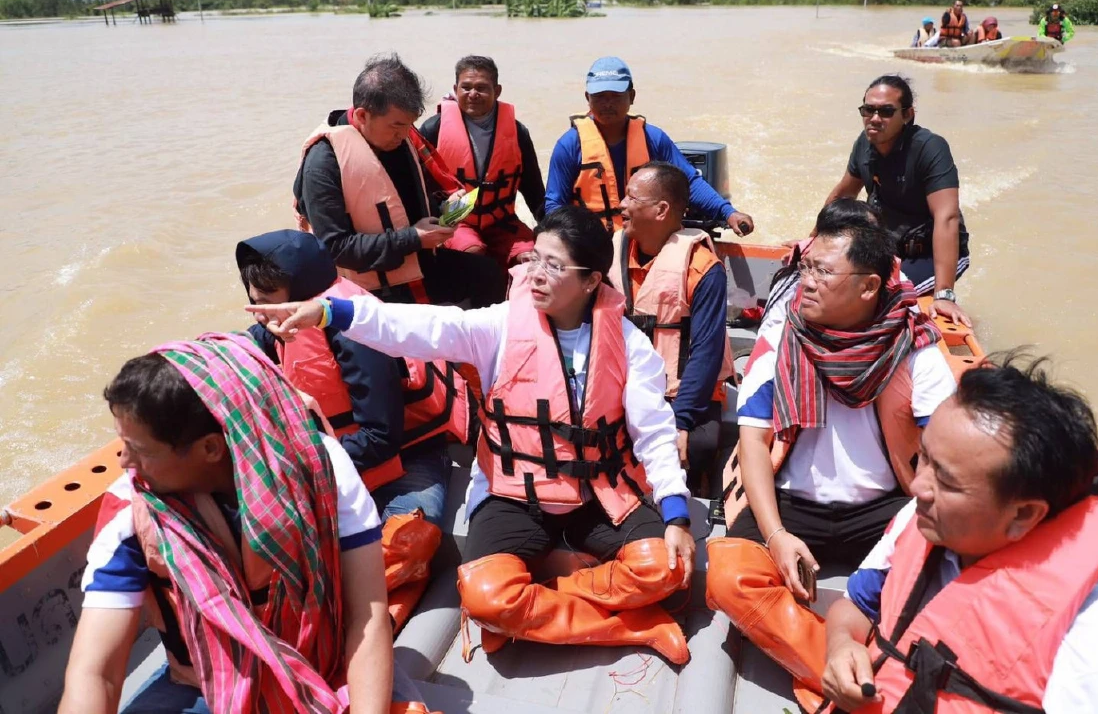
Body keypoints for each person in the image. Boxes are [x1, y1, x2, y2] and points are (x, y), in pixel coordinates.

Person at [247, 206, 697, 665]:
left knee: (668, 570)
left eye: (555, 266)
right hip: (514, 492)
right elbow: (416, 328)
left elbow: (655, 433)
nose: (537, 274)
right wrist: (326, 311)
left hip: (596, 491)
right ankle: (627, 625)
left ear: (591, 281)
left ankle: (534, 603)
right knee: (485, 597)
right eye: (535, 258)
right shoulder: (498, 326)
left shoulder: (629, 344)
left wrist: (677, 514)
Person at [61, 334, 434, 714]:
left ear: (209, 448)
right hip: (208, 683)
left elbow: (366, 615)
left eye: (140, 450)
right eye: (121, 444)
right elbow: (96, 674)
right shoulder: (132, 511)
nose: (124, 461)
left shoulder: (320, 469)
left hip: (328, 664)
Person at [821, 353, 1098, 713]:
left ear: (1023, 514)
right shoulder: (921, 522)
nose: (917, 486)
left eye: (946, 480)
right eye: (925, 457)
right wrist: (841, 645)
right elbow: (854, 606)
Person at [704, 199, 956, 709]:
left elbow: (944, 457)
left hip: (885, 510)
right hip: (791, 506)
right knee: (728, 576)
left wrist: (911, 533)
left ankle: (826, 668)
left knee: (955, 576)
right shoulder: (781, 334)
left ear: (869, 286)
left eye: (822, 271)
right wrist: (775, 536)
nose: (807, 281)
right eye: (806, 268)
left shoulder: (915, 347)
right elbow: (751, 440)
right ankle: (841, 673)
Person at [236, 229, 462, 631]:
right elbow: (237, 352)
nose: (263, 316)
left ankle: (367, 618)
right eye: (256, 305)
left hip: (405, 457)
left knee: (407, 544)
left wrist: (306, 469)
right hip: (337, 459)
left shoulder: (354, 332)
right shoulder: (276, 324)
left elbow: (380, 438)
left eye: (270, 304)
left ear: (303, 294)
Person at [293, 52, 506, 309]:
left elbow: (413, 208)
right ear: (362, 116)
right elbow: (336, 248)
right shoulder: (322, 164)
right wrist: (414, 238)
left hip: (417, 263)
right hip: (370, 288)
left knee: (490, 274)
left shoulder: (401, 140)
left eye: (409, 125)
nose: (404, 135)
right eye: (396, 126)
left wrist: (446, 209)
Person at [609, 161, 734, 495]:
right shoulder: (610, 251)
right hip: (624, 388)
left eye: (631, 197)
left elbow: (706, 354)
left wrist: (680, 421)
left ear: (661, 210)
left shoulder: (704, 269)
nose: (622, 205)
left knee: (697, 447)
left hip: (679, 395)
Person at [820, 75, 972, 325]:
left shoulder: (929, 148)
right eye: (868, 110)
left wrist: (944, 294)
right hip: (889, 247)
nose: (875, 118)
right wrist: (815, 239)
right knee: (835, 281)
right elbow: (844, 193)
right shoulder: (864, 144)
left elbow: (947, 217)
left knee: (877, 297)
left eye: (886, 111)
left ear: (907, 114)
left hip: (930, 255)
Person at [545, 56, 755, 235]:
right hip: (594, 245)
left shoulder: (653, 139)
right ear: (587, 98)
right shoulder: (569, 145)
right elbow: (555, 206)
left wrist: (728, 212)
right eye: (600, 97)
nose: (607, 104)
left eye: (616, 97)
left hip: (644, 241)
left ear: (632, 97)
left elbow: (687, 182)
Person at [418, 55, 546, 268]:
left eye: (482, 88)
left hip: (502, 221)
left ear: (497, 91)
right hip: (457, 222)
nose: (473, 94)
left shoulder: (518, 132)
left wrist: (549, 231)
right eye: (466, 87)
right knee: (474, 252)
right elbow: (417, 186)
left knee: (529, 257)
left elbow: (534, 190)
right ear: (455, 88)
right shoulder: (433, 129)